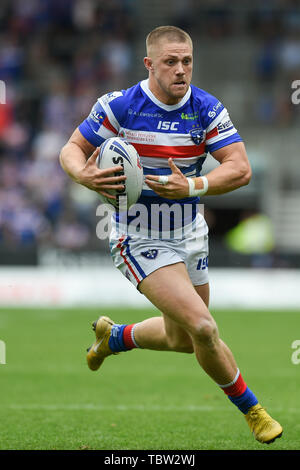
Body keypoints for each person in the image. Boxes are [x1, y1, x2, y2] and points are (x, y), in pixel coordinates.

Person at [59, 25, 282, 444]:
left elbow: (241, 168)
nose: (182, 70)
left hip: (190, 233)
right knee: (203, 327)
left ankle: (115, 336)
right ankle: (254, 409)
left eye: (187, 62)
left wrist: (194, 186)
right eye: (171, 62)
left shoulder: (206, 108)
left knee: (182, 338)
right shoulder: (120, 106)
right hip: (137, 236)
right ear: (149, 64)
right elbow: (71, 149)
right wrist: (84, 175)